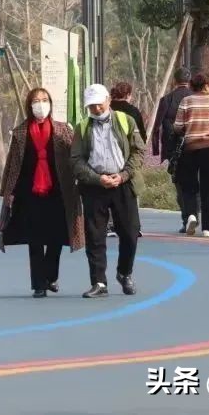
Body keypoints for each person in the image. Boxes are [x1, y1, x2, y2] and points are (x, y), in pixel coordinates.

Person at [0, 88, 85, 298]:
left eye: (45, 100)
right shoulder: (20, 132)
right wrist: (8, 191)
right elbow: (12, 164)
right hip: (28, 193)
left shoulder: (63, 130)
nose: (40, 105)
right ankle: (38, 284)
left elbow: (75, 159)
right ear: (29, 105)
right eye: (36, 101)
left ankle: (50, 275)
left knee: (56, 238)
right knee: (35, 239)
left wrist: (81, 182)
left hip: (58, 192)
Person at [71, 84, 145, 299]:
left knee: (130, 233)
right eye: (91, 106)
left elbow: (139, 151)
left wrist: (123, 175)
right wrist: (96, 178)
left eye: (98, 104)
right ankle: (99, 282)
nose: (95, 109)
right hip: (95, 186)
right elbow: (76, 160)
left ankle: (124, 273)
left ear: (108, 101)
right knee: (95, 236)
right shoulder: (83, 128)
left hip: (123, 183)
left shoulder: (126, 121)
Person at [173, 71, 209, 237]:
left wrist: (188, 129)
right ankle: (208, 228)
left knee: (189, 185)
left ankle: (192, 215)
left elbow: (177, 126)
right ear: (207, 85)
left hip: (190, 148)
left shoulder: (186, 101)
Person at [151, 68, 196, 233]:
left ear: (174, 81)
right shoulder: (196, 98)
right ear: (189, 80)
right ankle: (194, 214)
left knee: (179, 184)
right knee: (194, 181)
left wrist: (157, 151)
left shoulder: (167, 99)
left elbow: (156, 127)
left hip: (174, 148)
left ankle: (186, 218)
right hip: (196, 145)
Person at [107, 81, 147, 238]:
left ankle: (111, 225)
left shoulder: (108, 109)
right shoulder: (133, 112)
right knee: (132, 189)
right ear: (129, 95)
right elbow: (141, 137)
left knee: (109, 188)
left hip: (109, 156)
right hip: (129, 158)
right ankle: (133, 225)